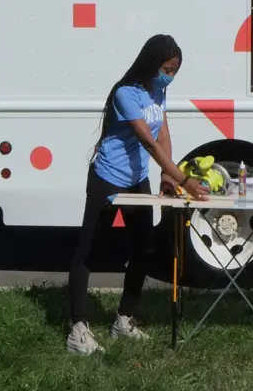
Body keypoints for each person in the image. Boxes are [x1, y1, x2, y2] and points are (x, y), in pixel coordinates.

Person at [67, 33, 210, 355]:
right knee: (88, 251)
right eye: (166, 69)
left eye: (174, 71)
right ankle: (77, 330)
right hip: (107, 178)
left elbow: (163, 132)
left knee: (144, 248)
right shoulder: (125, 94)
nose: (170, 76)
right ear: (151, 63)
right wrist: (185, 180)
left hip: (137, 179)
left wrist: (166, 176)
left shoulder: (158, 92)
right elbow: (148, 141)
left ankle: (124, 320)